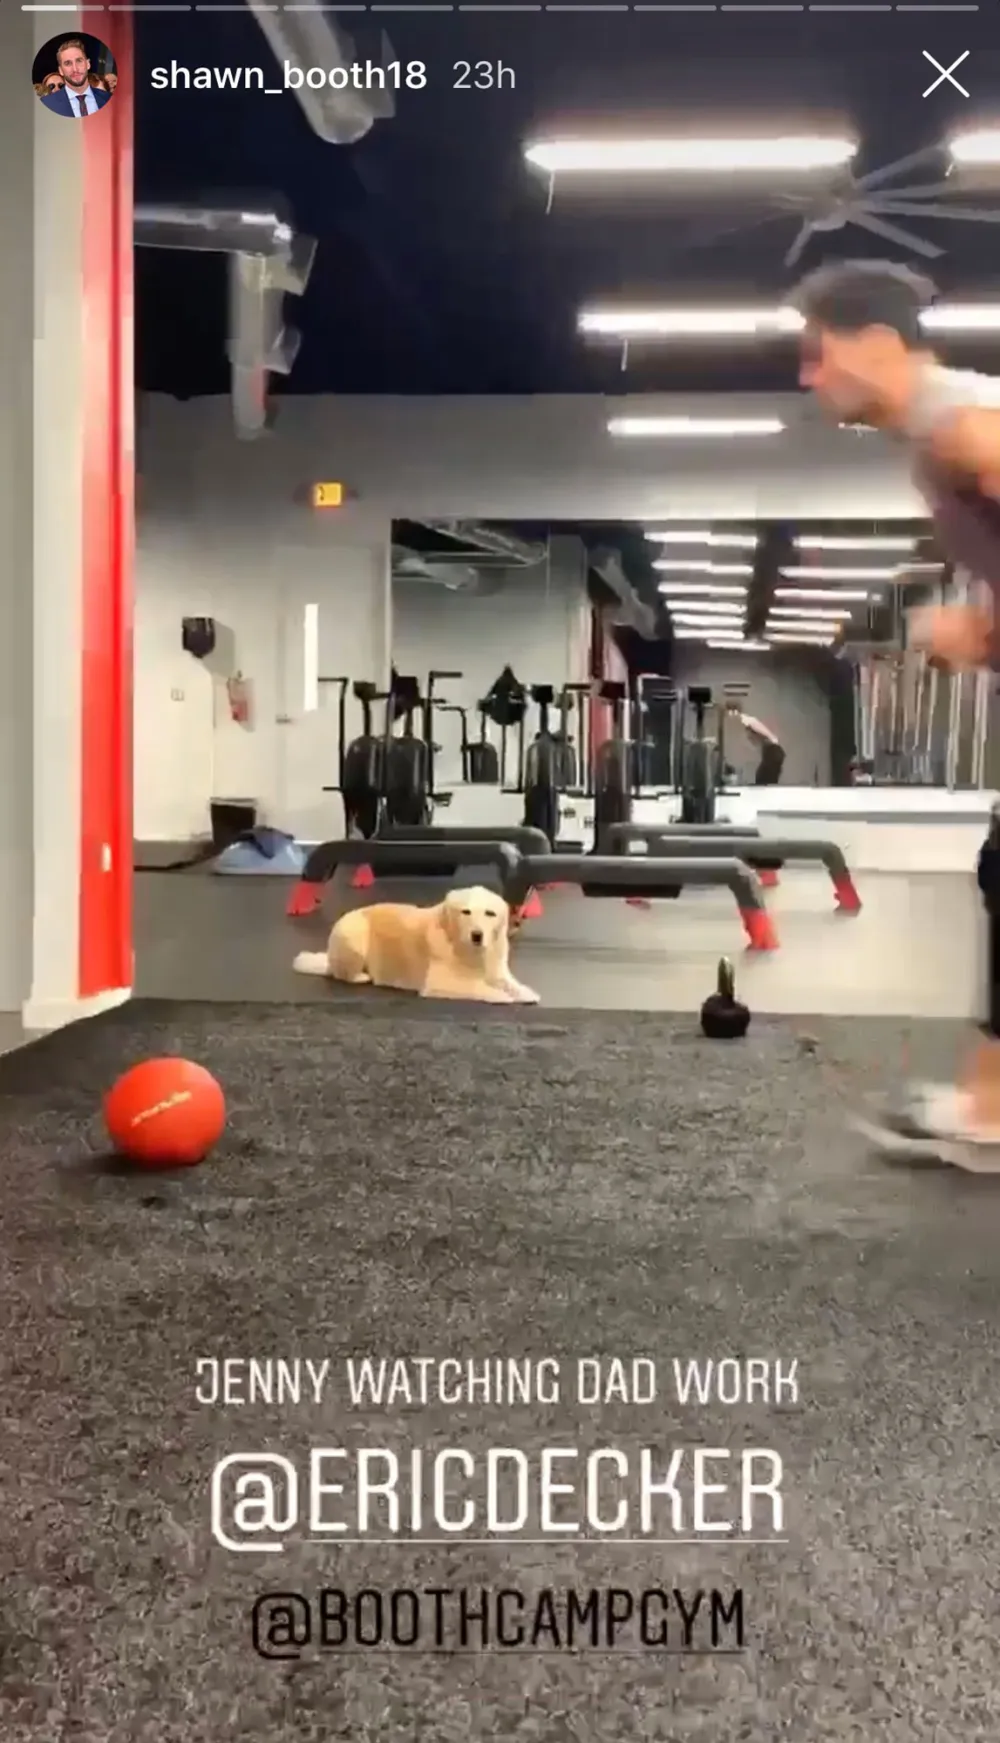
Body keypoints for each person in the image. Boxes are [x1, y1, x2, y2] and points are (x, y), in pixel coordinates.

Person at [792, 258, 1000, 1139]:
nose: (808, 376)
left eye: (816, 353)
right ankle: (990, 1105)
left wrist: (982, 634)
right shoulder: (934, 437)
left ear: (875, 345)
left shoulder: (963, 428)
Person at [40, 39, 113, 116]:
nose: (75, 69)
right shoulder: (47, 104)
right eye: (68, 63)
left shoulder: (108, 98)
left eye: (79, 61)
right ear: (60, 70)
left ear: (88, 64)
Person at [725, 702, 785, 785]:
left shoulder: (745, 719)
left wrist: (771, 738)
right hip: (771, 750)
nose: (730, 716)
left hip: (773, 750)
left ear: (734, 711)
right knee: (765, 777)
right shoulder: (746, 722)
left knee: (764, 778)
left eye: (730, 713)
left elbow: (757, 726)